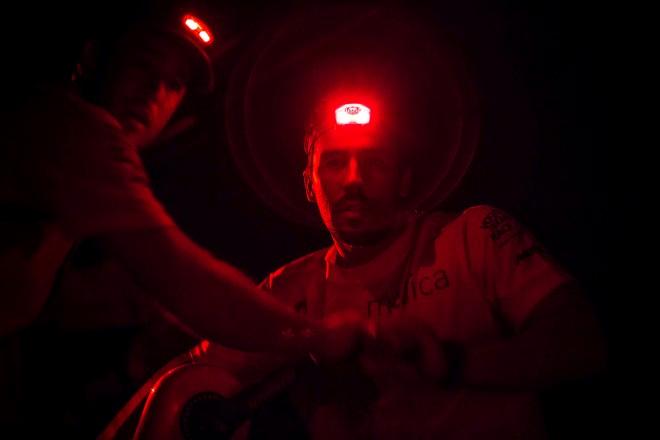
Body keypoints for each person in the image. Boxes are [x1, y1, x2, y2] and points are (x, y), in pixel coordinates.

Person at [0, 8, 361, 435]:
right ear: (95, 58)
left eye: (174, 83)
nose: (153, 91)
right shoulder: (80, 131)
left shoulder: (47, 130)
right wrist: (316, 335)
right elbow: (189, 284)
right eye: (142, 66)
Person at [206, 91, 607, 439]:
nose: (353, 180)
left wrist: (450, 361)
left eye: (374, 162)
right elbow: (200, 375)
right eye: (333, 163)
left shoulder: (475, 236)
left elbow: (582, 342)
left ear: (404, 179)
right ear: (309, 183)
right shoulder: (288, 289)